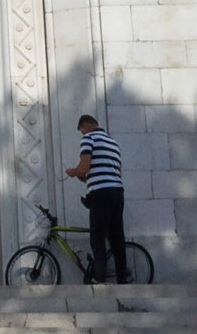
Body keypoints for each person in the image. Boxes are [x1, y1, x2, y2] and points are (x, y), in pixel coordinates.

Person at [65, 113, 128, 283]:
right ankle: (122, 279)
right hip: (117, 192)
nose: (82, 134)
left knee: (97, 238)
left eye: (81, 131)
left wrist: (74, 172)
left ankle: (99, 279)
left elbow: (84, 165)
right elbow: (114, 172)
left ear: (85, 126)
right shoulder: (113, 143)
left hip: (100, 194)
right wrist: (84, 177)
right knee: (116, 237)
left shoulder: (88, 138)